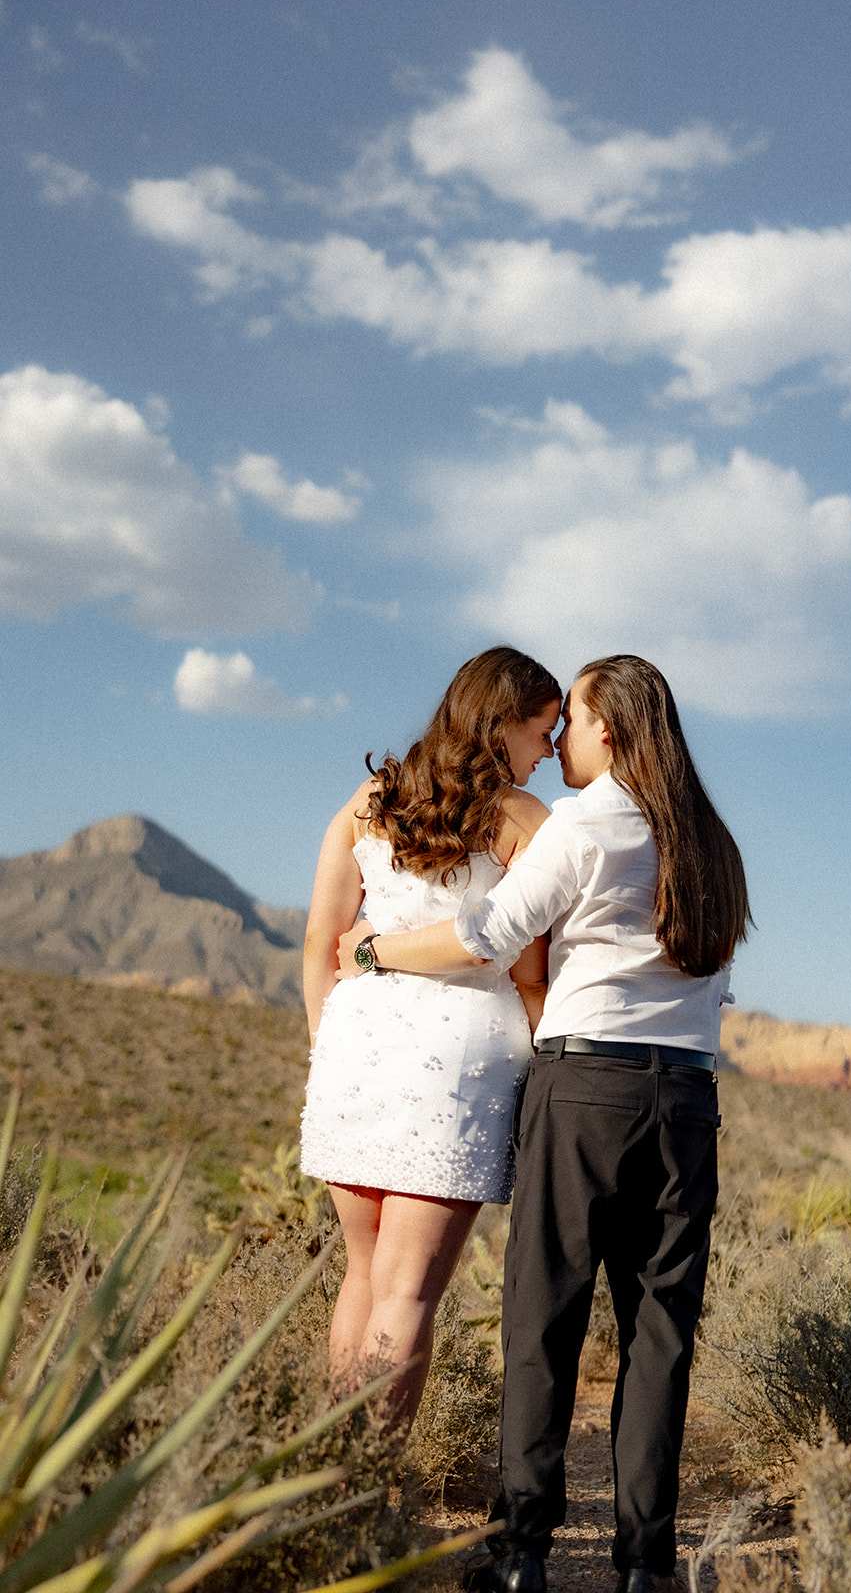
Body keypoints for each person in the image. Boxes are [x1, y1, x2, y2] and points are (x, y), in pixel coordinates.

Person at [340, 655, 752, 1593]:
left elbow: (486, 932)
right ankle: (644, 1566)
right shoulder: (713, 844)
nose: (560, 736)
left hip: (583, 1093)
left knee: (543, 1318)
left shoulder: (589, 824)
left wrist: (372, 950)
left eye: (573, 719)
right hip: (686, 1099)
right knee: (659, 1334)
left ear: (611, 729)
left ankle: (521, 1549)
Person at [300, 646, 561, 1425]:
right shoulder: (523, 821)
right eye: (541, 733)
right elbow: (527, 974)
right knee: (407, 1288)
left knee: (362, 1274)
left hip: (356, 1041)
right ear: (500, 724)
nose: (545, 754)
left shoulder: (368, 800)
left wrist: (326, 1048)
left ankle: (329, 1473)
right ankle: (370, 1490)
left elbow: (321, 941)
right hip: (455, 1057)